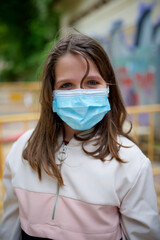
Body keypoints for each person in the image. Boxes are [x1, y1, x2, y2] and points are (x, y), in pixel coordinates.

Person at [0, 33, 160, 240]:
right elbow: (9, 226)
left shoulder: (131, 162)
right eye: (66, 85)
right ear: (51, 93)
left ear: (108, 89)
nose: (80, 94)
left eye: (92, 82)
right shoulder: (22, 149)